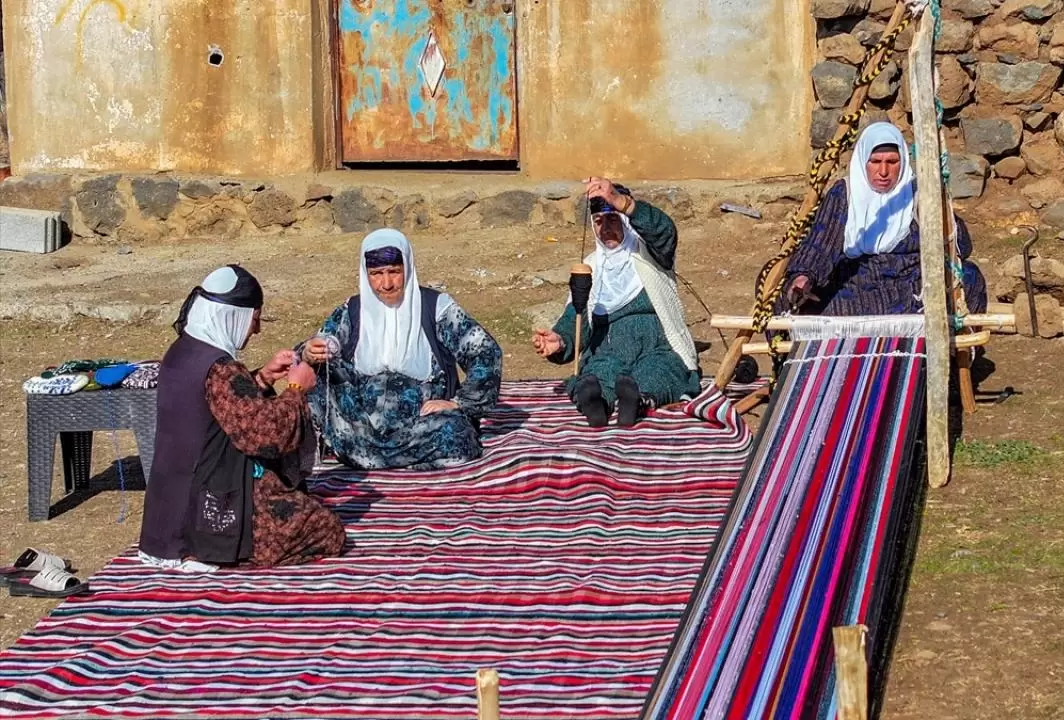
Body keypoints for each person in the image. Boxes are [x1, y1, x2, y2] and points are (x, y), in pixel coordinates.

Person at [139, 265, 346, 571]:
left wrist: (261, 378)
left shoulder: (183, 351)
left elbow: (220, 410)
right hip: (209, 510)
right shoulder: (220, 369)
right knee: (325, 529)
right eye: (255, 320)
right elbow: (268, 437)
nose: (256, 330)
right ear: (234, 315)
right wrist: (295, 389)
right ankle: (220, 552)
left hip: (169, 512)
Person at [299, 229, 503, 470]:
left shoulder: (436, 307)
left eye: (394, 272)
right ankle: (396, 458)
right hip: (360, 423)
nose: (386, 284)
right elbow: (325, 341)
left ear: (408, 266)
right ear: (365, 275)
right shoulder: (354, 309)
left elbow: (485, 352)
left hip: (420, 423)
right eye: (376, 274)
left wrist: (459, 402)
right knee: (313, 371)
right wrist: (313, 351)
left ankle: (365, 457)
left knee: (455, 433)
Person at [532, 178, 701, 427]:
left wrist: (622, 203)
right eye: (599, 222)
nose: (606, 228)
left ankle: (637, 401)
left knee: (661, 370)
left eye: (613, 220)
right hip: (608, 349)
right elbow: (578, 315)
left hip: (656, 345)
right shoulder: (590, 266)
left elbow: (664, 231)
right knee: (597, 373)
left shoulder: (650, 253)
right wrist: (560, 340)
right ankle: (597, 404)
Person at [781, 122, 988, 317]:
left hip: (911, 287)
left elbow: (960, 246)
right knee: (782, 293)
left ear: (903, 161)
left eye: (892, 162)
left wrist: (938, 203)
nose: (883, 172)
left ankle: (939, 350)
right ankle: (826, 350)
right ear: (863, 161)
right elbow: (820, 242)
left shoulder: (918, 193)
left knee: (969, 276)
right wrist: (803, 276)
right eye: (875, 162)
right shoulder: (845, 193)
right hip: (853, 287)